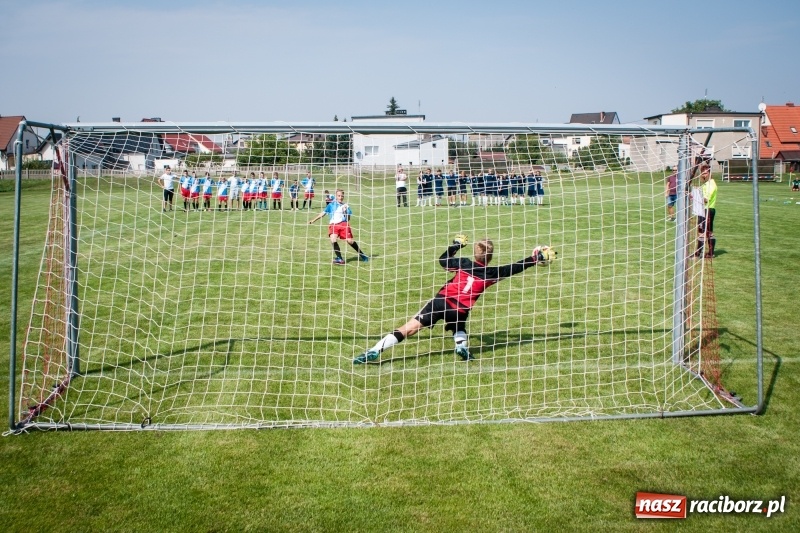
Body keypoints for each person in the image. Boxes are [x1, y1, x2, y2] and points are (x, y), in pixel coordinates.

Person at [354, 236, 555, 364]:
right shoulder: (493, 272)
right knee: (459, 326)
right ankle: (461, 347)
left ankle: (373, 351)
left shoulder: (463, 263)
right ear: (491, 258)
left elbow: (443, 260)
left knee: (408, 328)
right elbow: (514, 268)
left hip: (441, 301)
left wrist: (456, 245)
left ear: (475, 253)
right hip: (460, 309)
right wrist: (534, 259)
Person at [308, 188, 369, 265]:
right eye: (339, 196)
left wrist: (345, 212)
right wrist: (313, 220)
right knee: (333, 238)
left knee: (349, 241)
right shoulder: (331, 205)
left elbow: (348, 219)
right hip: (333, 225)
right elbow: (322, 213)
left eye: (342, 196)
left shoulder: (346, 206)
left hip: (344, 224)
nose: (340, 197)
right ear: (336, 196)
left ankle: (362, 254)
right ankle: (340, 259)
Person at [694, 166, 717, 258]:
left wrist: (695, 197)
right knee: (707, 232)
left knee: (703, 232)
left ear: (710, 173)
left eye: (705, 172)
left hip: (707, 210)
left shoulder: (711, 184)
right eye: (702, 172)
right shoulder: (706, 184)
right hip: (703, 210)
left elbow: (706, 200)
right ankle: (710, 253)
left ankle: (699, 253)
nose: (703, 174)